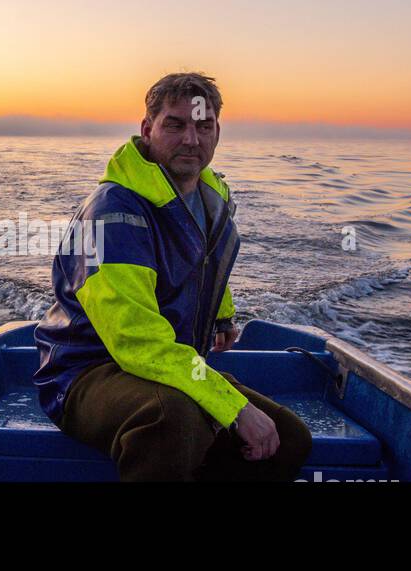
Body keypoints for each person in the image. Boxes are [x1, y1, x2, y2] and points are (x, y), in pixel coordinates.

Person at [32, 72, 313, 482]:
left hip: (173, 365)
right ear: (148, 129)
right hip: (88, 372)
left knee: (289, 439)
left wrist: (220, 315)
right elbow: (136, 341)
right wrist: (232, 408)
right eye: (175, 124)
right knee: (174, 418)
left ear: (218, 131)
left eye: (204, 126)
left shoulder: (208, 196)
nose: (191, 139)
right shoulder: (113, 214)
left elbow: (203, 260)